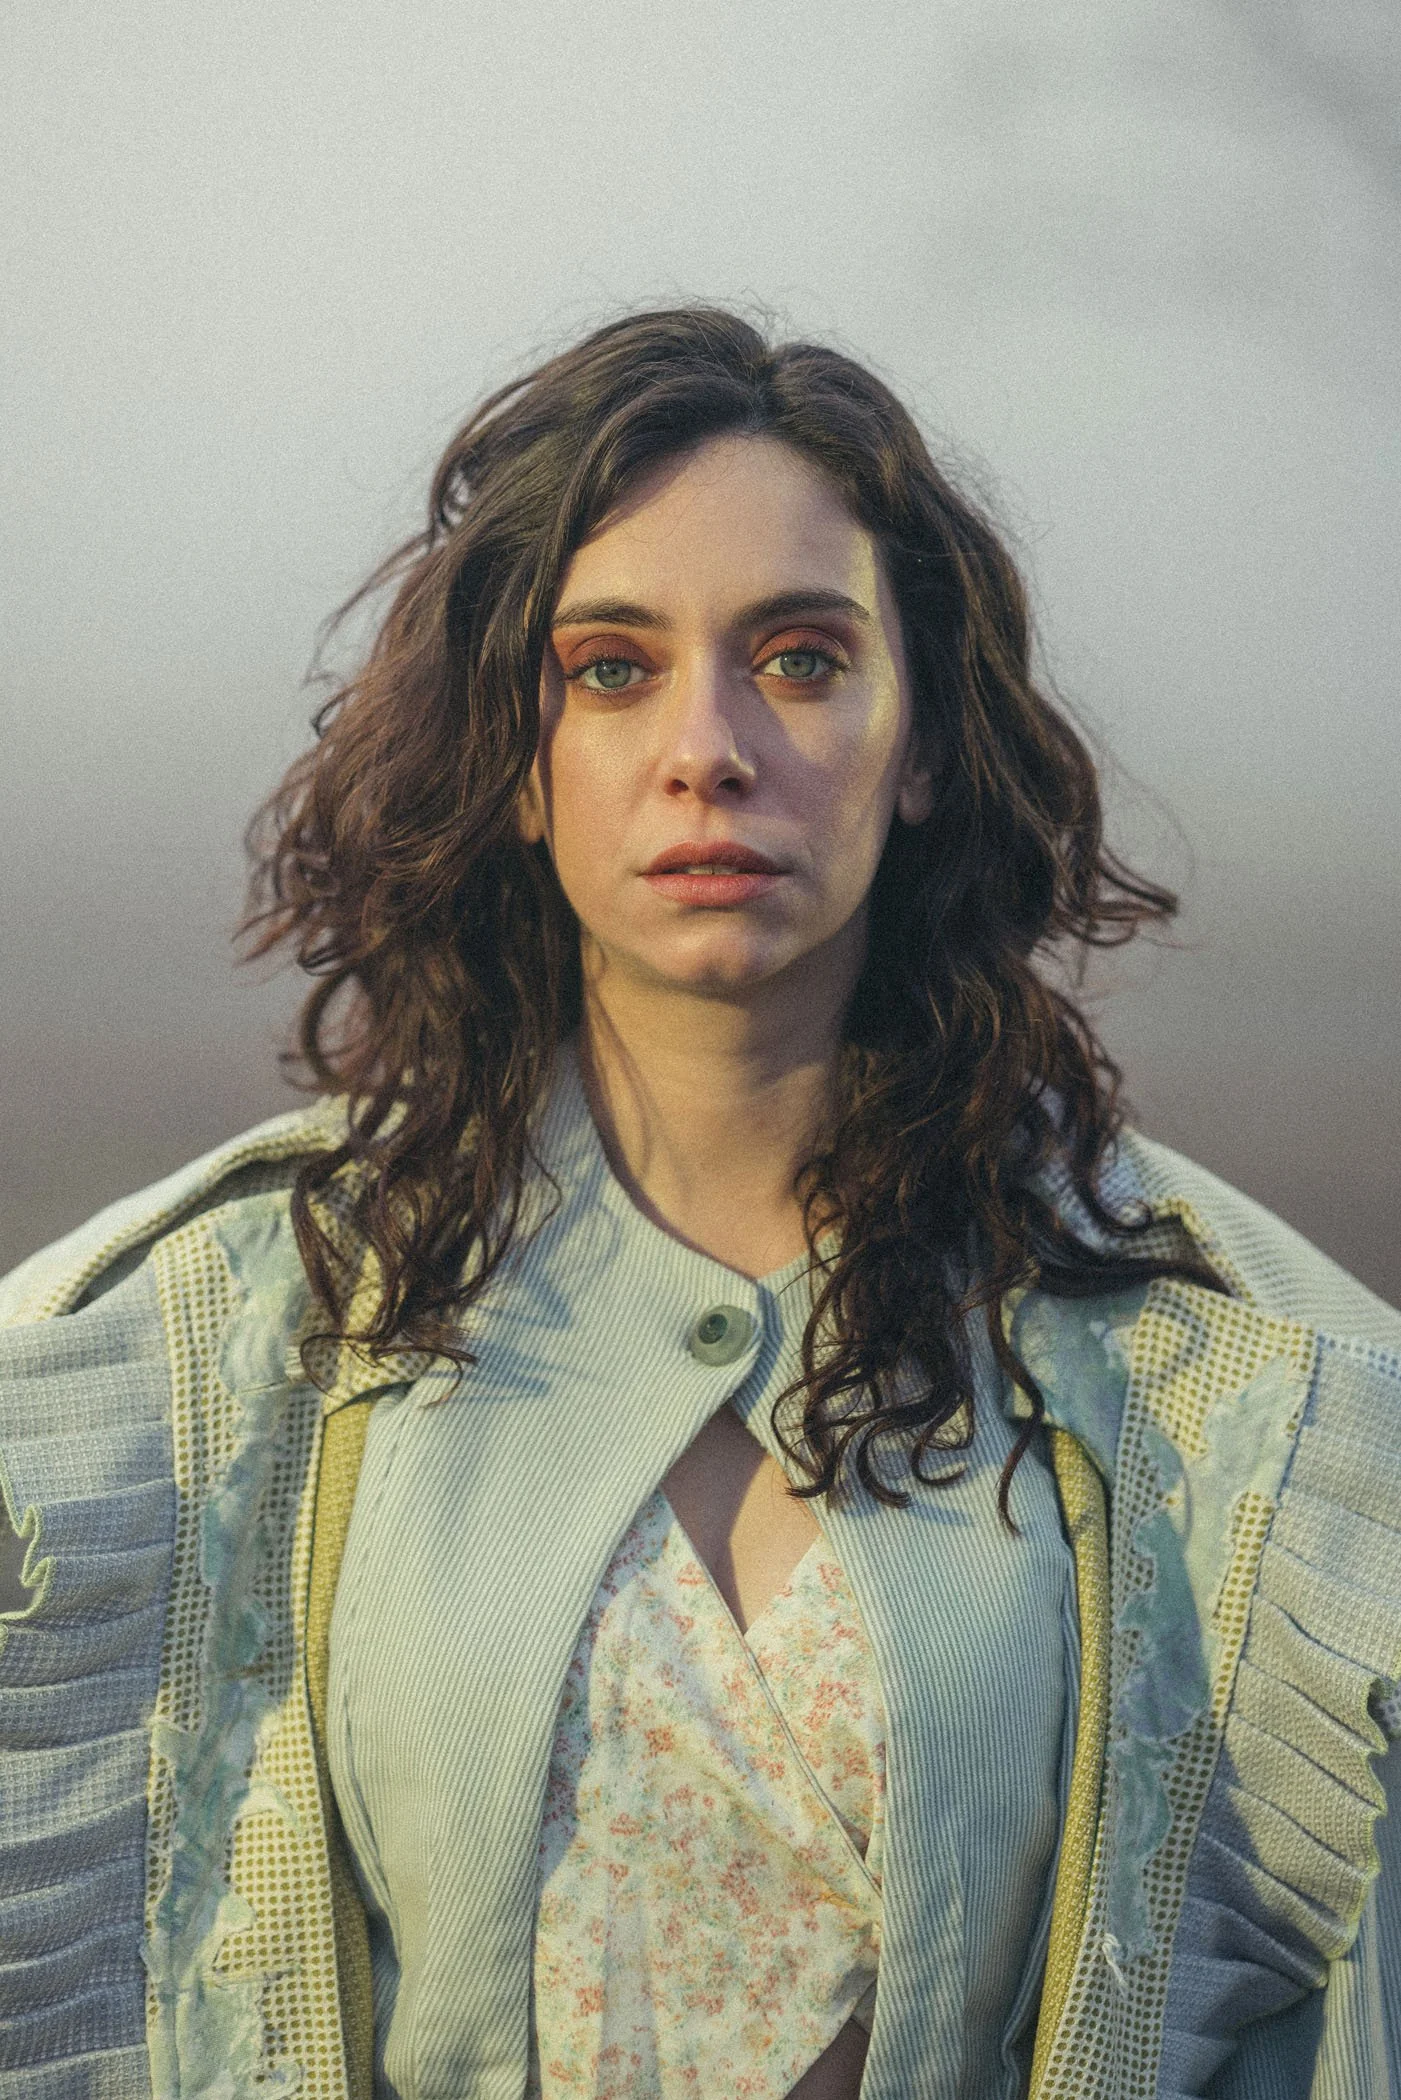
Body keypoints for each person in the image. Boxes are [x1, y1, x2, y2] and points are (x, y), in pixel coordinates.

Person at [1, 306, 1397, 2100]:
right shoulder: (217, 1335)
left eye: (803, 660)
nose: (709, 748)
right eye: (612, 668)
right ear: (518, 759)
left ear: (929, 741)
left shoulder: (1251, 1379)